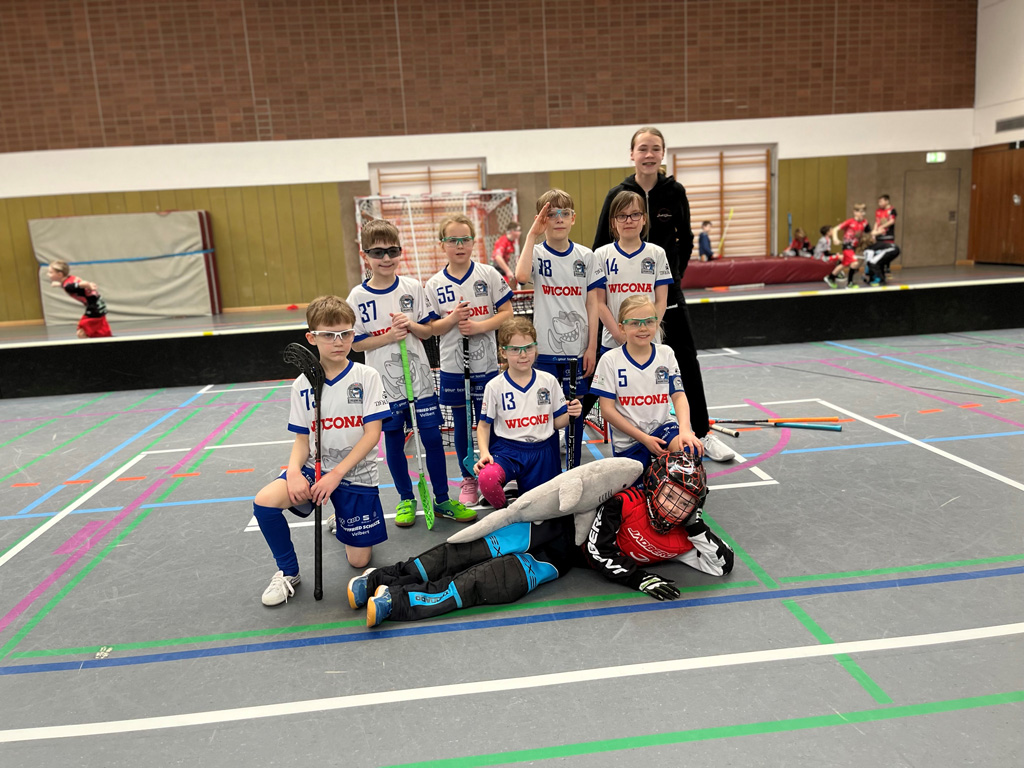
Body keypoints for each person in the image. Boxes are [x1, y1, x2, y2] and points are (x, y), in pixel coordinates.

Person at [347, 451, 734, 626]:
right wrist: (639, 578)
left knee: (491, 582)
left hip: (560, 560)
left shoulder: (684, 536)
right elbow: (598, 550)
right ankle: (380, 578)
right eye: (669, 495)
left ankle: (397, 603)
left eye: (684, 502)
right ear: (654, 486)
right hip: (552, 527)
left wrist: (695, 526)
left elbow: (721, 564)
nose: (673, 507)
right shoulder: (626, 501)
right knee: (464, 551)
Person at [593, 126, 733, 462]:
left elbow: (686, 238)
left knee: (685, 360)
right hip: (622, 303)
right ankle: (573, 434)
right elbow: (599, 243)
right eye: (643, 148)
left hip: (665, 293)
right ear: (632, 154)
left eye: (655, 148)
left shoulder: (675, 191)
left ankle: (700, 432)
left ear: (662, 154)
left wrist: (674, 278)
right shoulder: (618, 194)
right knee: (604, 367)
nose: (649, 154)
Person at [253, 295, 390, 606]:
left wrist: (336, 475)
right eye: (329, 335)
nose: (338, 342)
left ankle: (340, 516)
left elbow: (372, 434)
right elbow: (302, 440)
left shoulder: (366, 377)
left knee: (358, 561)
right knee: (264, 503)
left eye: (345, 333)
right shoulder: (301, 385)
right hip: (315, 469)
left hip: (356, 475)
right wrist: (293, 473)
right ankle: (288, 572)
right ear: (312, 337)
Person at [348, 219, 476, 527]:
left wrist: (411, 326)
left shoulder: (412, 288)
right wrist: (389, 336)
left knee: (432, 439)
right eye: (378, 252)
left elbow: (428, 331)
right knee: (393, 440)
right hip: (384, 386)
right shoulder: (357, 297)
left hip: (419, 381)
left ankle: (442, 499)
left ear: (400, 252)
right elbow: (355, 343)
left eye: (392, 251)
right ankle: (406, 498)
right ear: (365, 255)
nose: (386, 258)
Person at [514, 189, 606, 469]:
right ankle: (550, 471)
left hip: (578, 352)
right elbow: (520, 276)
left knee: (575, 413)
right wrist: (532, 235)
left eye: (564, 213)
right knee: (547, 413)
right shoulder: (537, 253)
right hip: (544, 351)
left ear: (573, 218)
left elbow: (593, 303)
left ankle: (574, 469)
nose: (559, 219)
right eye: (551, 214)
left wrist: (591, 347)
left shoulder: (586, 256)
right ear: (541, 219)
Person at [426, 214, 514, 505]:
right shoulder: (434, 284)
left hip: (485, 364)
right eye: (453, 240)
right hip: (454, 366)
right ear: (442, 245)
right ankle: (468, 478)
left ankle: (496, 474)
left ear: (473, 242)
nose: (459, 245)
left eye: (465, 239)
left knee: (490, 420)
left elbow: (507, 313)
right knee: (462, 424)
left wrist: (478, 327)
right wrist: (453, 319)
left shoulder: (488, 274)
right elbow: (432, 328)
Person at [474, 316, 582, 509]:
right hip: (508, 451)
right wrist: (484, 453)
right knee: (487, 479)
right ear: (503, 352)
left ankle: (521, 492)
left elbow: (556, 423)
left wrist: (572, 413)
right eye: (515, 349)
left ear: (536, 348)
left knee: (542, 510)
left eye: (528, 348)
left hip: (542, 451)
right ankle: (506, 511)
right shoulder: (495, 386)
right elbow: (483, 426)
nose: (523, 355)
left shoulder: (548, 381)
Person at [591, 295, 703, 472]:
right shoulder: (610, 360)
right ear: (622, 328)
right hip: (630, 440)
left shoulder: (666, 353)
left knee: (690, 449)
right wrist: (644, 439)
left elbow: (679, 396)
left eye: (649, 321)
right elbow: (606, 411)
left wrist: (685, 430)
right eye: (635, 323)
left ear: (657, 323)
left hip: (664, 429)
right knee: (638, 487)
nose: (643, 328)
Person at [594, 191, 674, 353]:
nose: (629, 220)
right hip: (613, 343)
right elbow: (599, 302)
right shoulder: (601, 255)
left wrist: (649, 331)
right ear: (613, 222)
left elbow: (661, 301)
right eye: (622, 216)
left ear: (644, 219)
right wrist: (619, 335)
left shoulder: (657, 253)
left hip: (649, 342)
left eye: (635, 214)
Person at [46, 260, 112, 338]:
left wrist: (88, 285)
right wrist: (59, 284)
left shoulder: (68, 286)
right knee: (100, 331)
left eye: (50, 272)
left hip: (94, 308)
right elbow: (71, 286)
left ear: (60, 274)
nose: (48, 274)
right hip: (99, 303)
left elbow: (81, 284)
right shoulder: (70, 278)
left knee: (81, 333)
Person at [826, 204, 869, 289]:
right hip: (847, 246)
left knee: (844, 264)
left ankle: (830, 277)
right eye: (860, 212)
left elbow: (869, 232)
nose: (862, 214)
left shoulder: (865, 222)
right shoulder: (850, 222)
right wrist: (835, 238)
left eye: (863, 212)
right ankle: (850, 283)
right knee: (855, 263)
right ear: (855, 212)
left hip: (854, 247)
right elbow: (835, 229)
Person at [864, 194, 901, 285]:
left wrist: (882, 227)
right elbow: (877, 222)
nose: (879, 203)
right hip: (879, 236)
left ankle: (886, 269)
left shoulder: (892, 210)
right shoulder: (878, 211)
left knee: (887, 252)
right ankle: (877, 275)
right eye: (878, 202)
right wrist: (874, 232)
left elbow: (892, 221)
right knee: (878, 254)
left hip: (888, 236)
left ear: (887, 201)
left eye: (881, 201)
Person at [491, 222, 521, 287]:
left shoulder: (511, 242)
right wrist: (508, 271)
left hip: (502, 271)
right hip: (497, 270)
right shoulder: (503, 241)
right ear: (512, 231)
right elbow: (498, 257)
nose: (520, 233)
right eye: (518, 230)